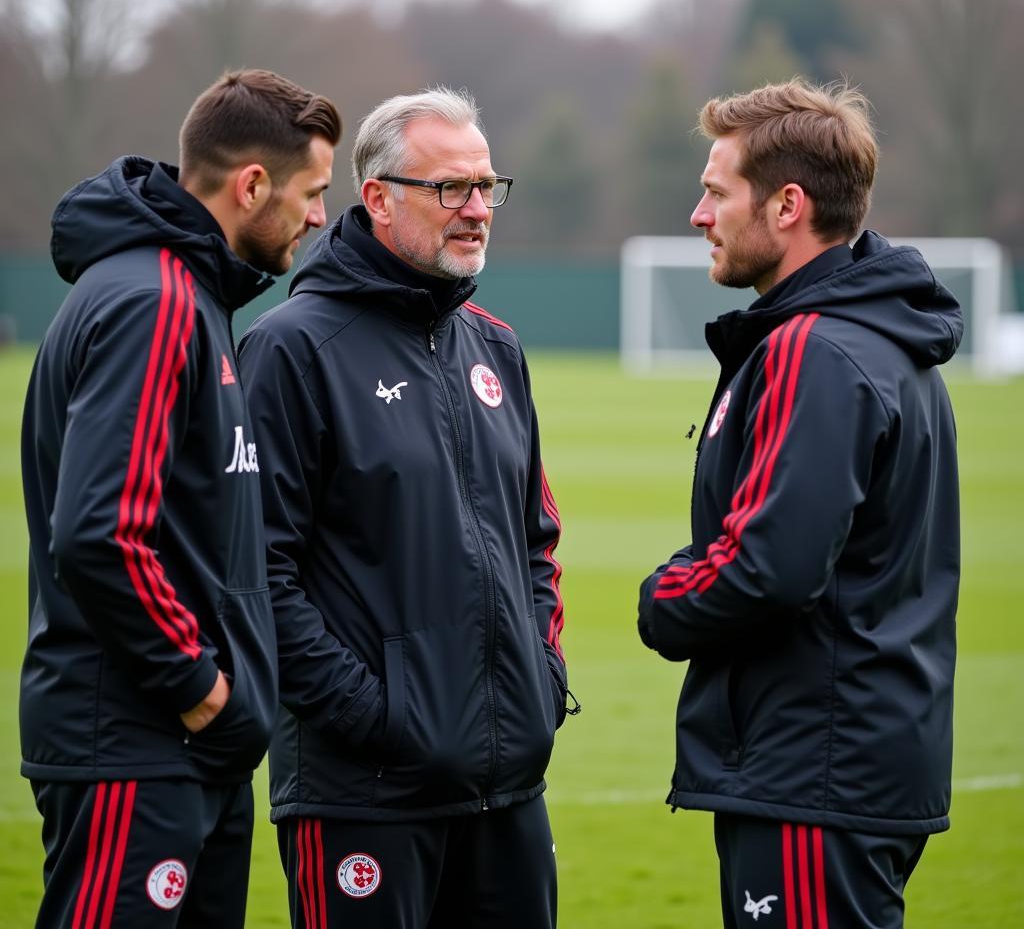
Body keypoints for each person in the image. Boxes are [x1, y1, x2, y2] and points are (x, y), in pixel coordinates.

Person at [237, 86, 574, 929]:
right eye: (449, 189)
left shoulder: (496, 346)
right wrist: (379, 715)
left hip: (507, 787)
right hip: (364, 792)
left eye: (486, 187)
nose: (476, 210)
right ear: (378, 198)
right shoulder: (292, 349)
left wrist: (541, 677)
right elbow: (255, 573)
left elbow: (536, 541)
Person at [636, 79, 963, 929]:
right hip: (848, 762)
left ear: (787, 205)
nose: (699, 215)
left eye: (715, 191)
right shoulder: (884, 342)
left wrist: (662, 599)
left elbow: (768, 569)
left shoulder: (812, 349)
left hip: (814, 770)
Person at [20, 68, 341, 928]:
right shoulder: (153, 301)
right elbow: (99, 536)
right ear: (251, 185)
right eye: (312, 193)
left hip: (182, 751)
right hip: (138, 745)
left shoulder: (189, 298)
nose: (319, 218)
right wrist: (203, 691)